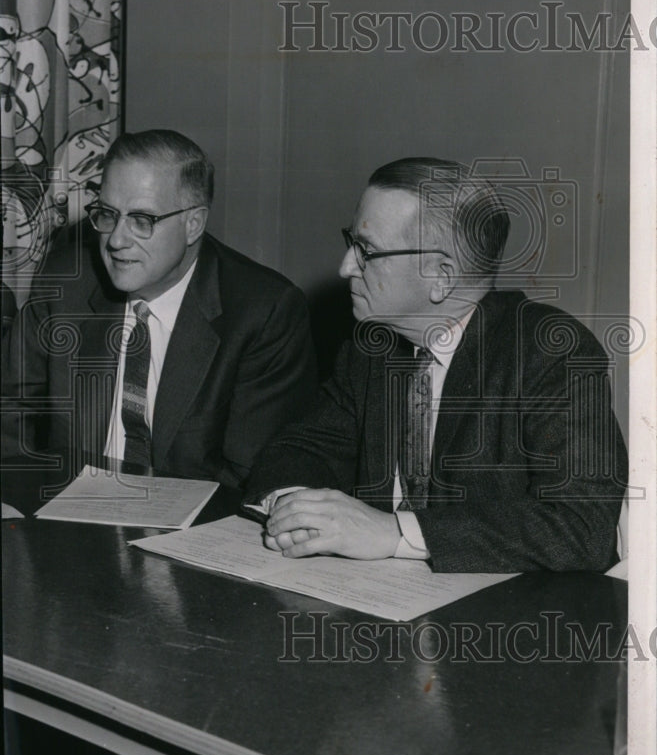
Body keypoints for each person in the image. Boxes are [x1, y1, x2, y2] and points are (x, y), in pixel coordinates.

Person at [244, 157, 628, 572]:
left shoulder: (549, 352)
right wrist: (297, 506)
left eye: (367, 251)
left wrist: (395, 533)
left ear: (442, 276)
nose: (345, 267)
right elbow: (300, 447)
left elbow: (582, 528)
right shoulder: (369, 351)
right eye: (350, 242)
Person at [2, 129, 317, 487]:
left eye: (142, 220)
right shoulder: (65, 283)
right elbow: (9, 412)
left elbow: (253, 477)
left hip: (194, 531)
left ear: (193, 223)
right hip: (68, 517)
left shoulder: (264, 312)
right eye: (107, 214)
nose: (116, 240)